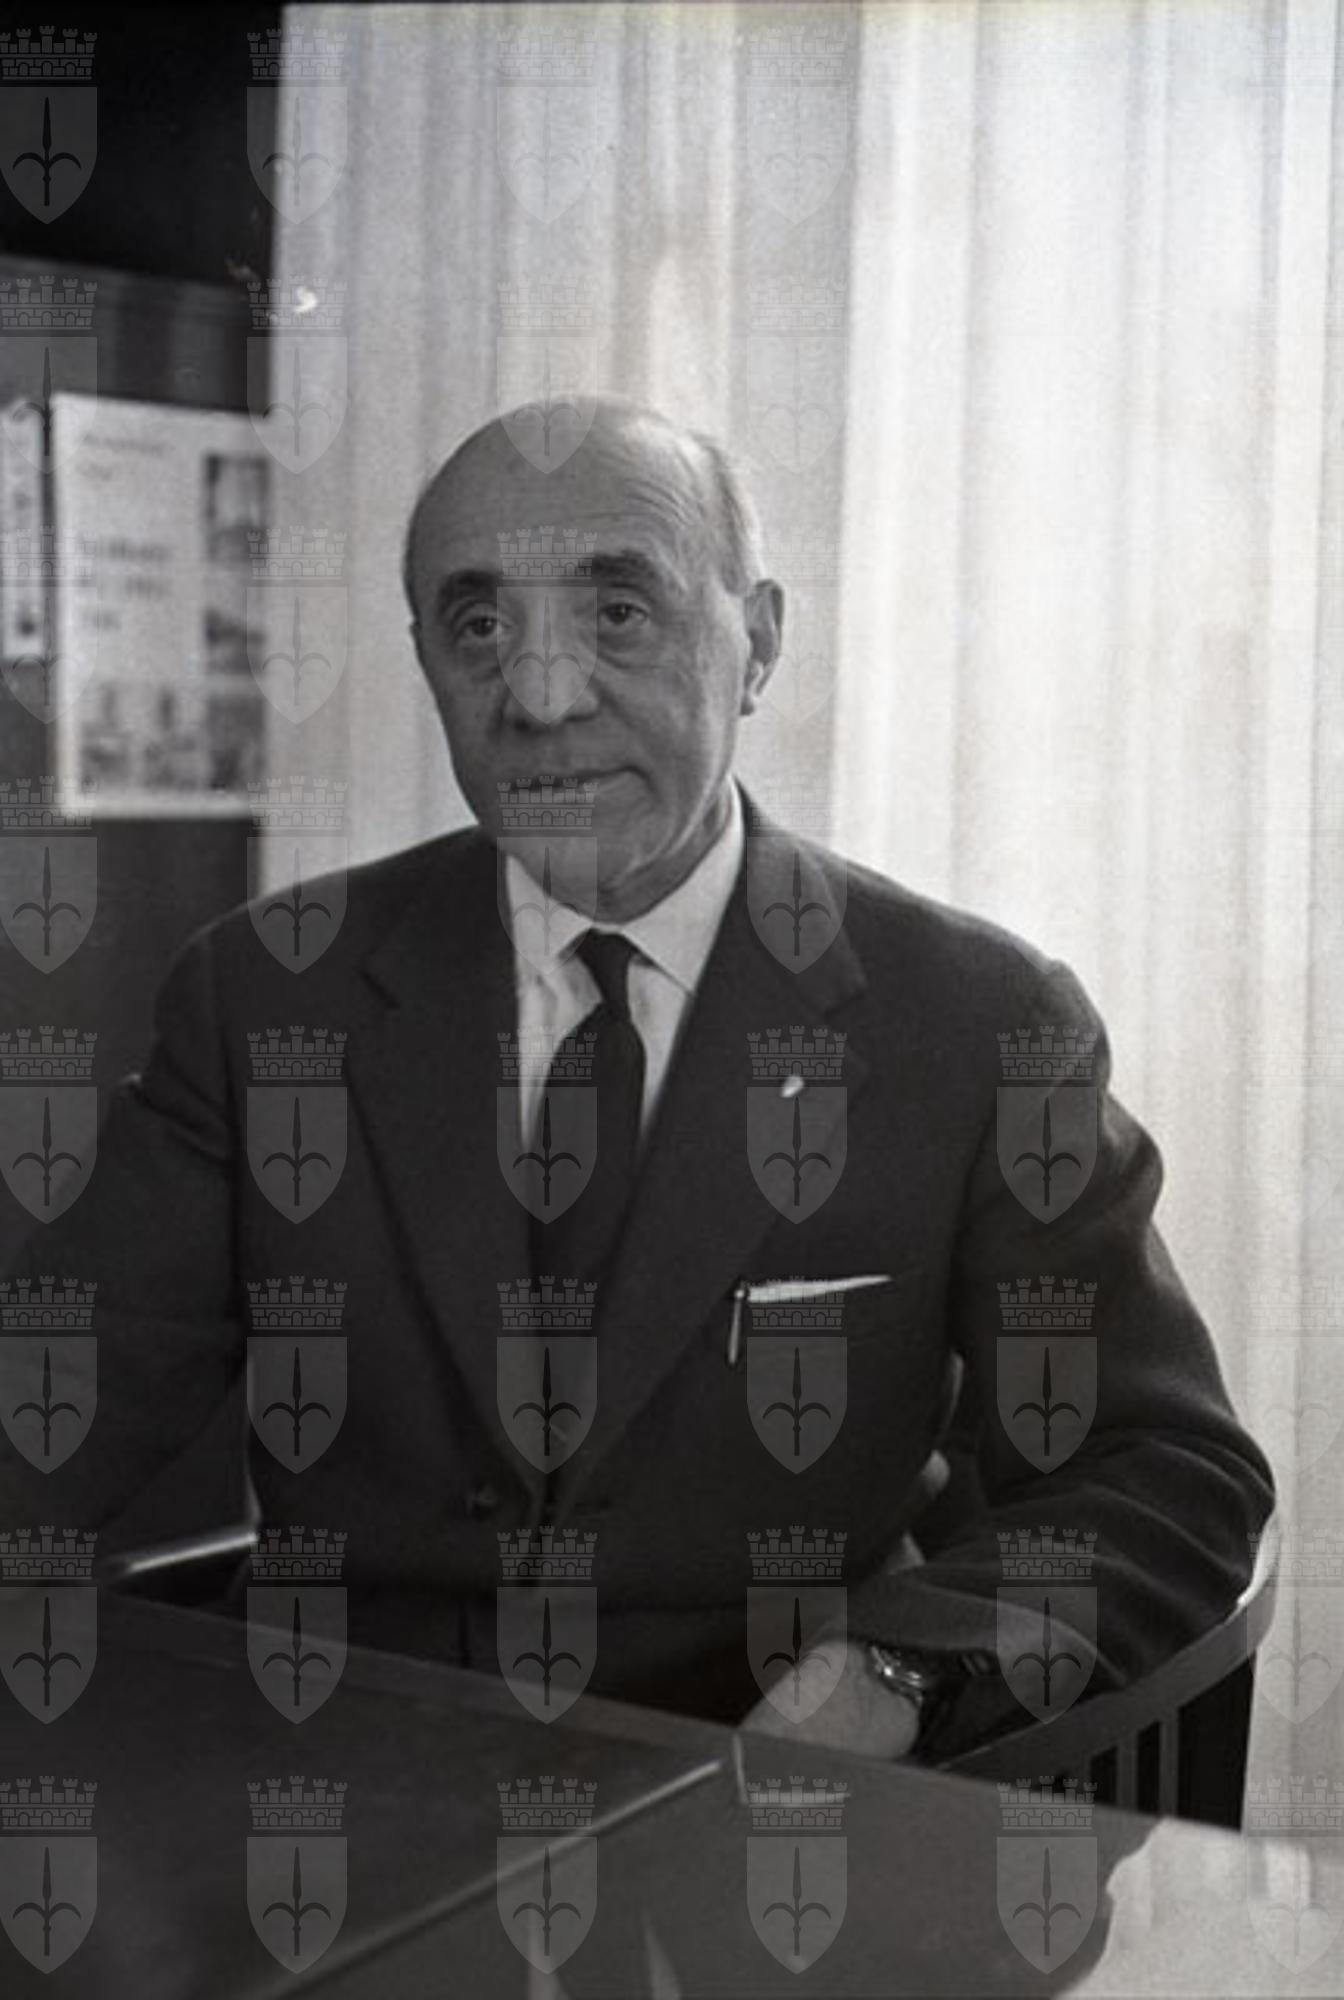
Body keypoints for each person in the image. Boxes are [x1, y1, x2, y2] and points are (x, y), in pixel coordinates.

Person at [0, 399, 1273, 1763]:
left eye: (619, 613)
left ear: (758, 642)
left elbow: (1165, 1472)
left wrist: (893, 1676)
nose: (542, 698)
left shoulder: (977, 1024)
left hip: (769, 1798)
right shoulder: (266, 996)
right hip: (345, 1789)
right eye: (478, 626)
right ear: (424, 658)